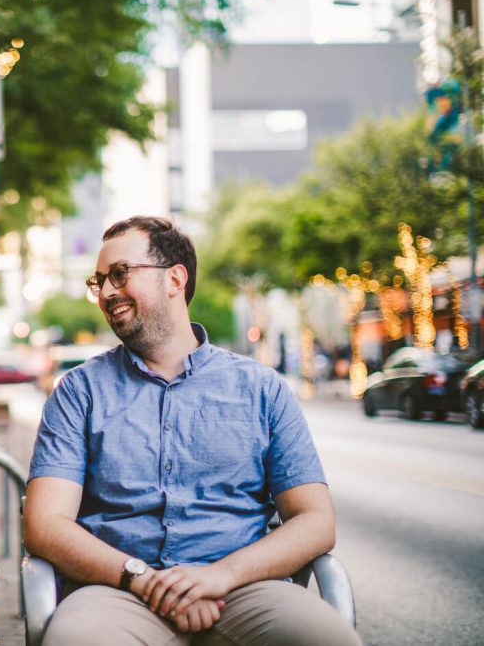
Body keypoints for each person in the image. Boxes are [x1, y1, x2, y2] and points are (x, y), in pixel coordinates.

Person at [23, 217, 361, 645]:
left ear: (175, 279)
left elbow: (315, 520)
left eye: (121, 274)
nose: (106, 292)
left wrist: (220, 575)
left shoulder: (262, 389)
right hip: (115, 593)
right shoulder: (78, 392)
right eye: (100, 281)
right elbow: (44, 524)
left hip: (244, 589)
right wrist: (143, 579)